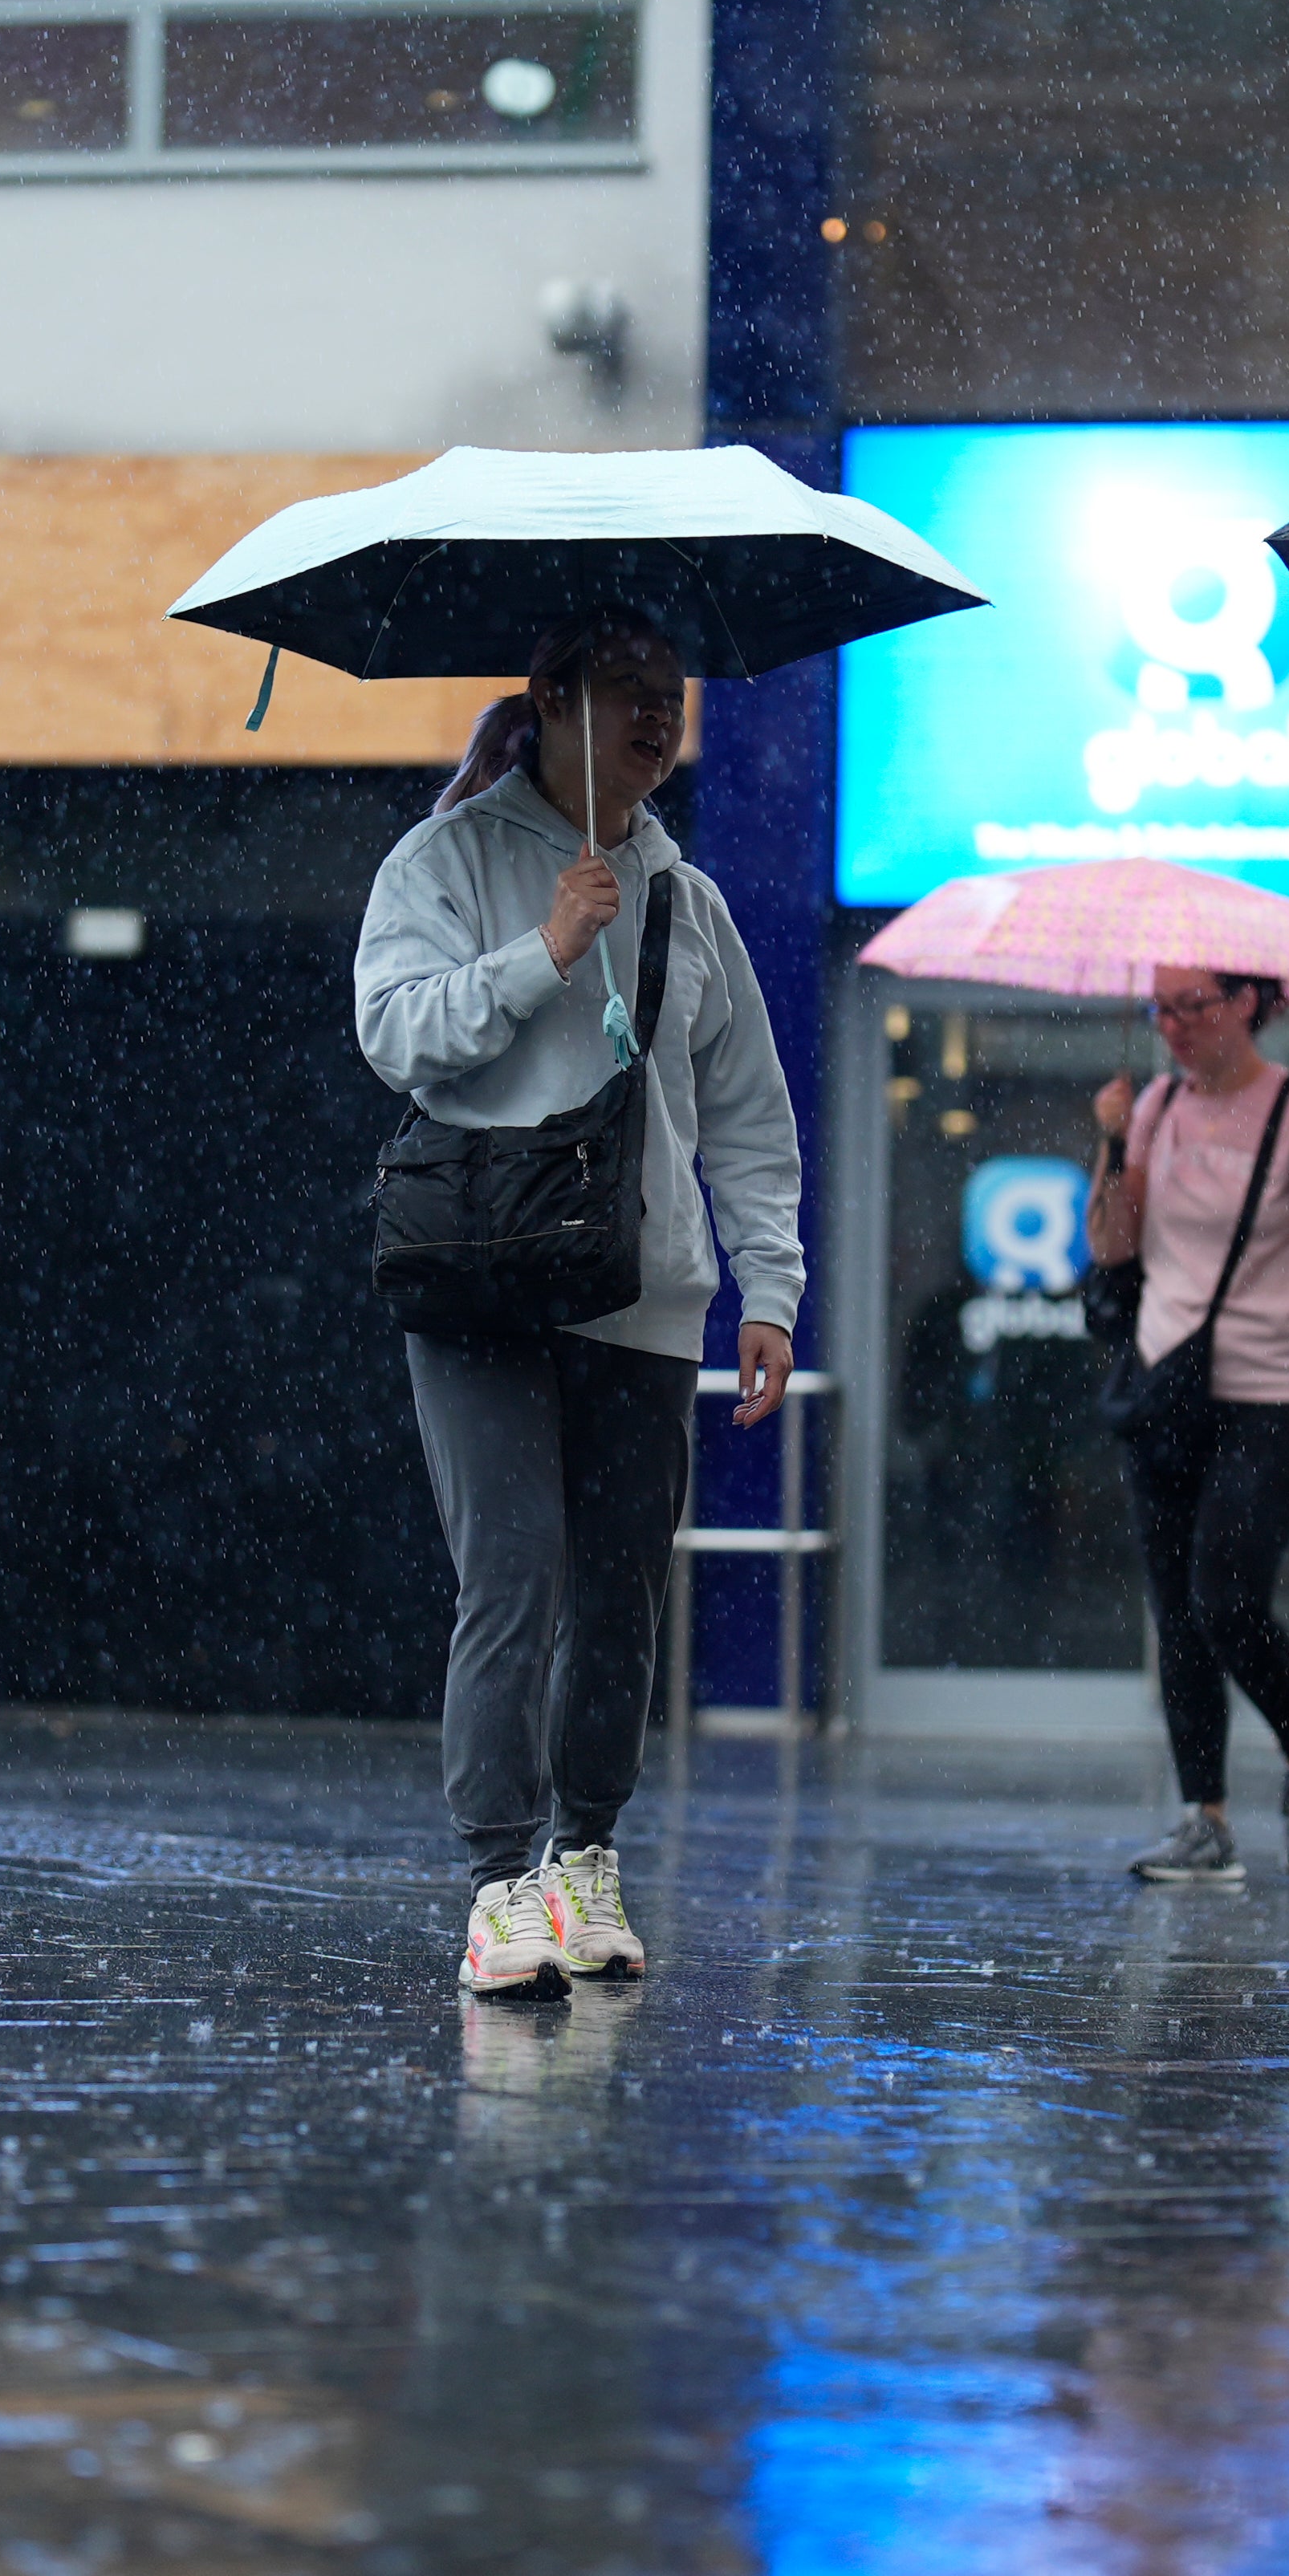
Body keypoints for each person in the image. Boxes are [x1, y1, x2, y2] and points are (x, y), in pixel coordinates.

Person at [355, 609, 804, 2001]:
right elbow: (394, 1032)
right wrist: (542, 949)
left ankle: (583, 1856)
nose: (660, 714)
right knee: (511, 1577)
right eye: (626, 689)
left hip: (642, 1288)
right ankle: (498, 1881)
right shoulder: (444, 859)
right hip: (484, 1276)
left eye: (672, 691)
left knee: (619, 1595)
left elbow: (747, 1113)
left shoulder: (688, 898)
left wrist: (770, 1284)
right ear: (549, 698)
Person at [1087, 965, 1289, 1885]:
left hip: (1275, 1392)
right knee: (1176, 1610)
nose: (1170, 1025)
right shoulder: (1155, 1105)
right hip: (1169, 1385)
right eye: (1158, 1007)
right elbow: (1112, 1245)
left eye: (1191, 1006)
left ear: (1247, 1002)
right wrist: (1111, 1140)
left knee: (1225, 1594)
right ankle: (1203, 1819)